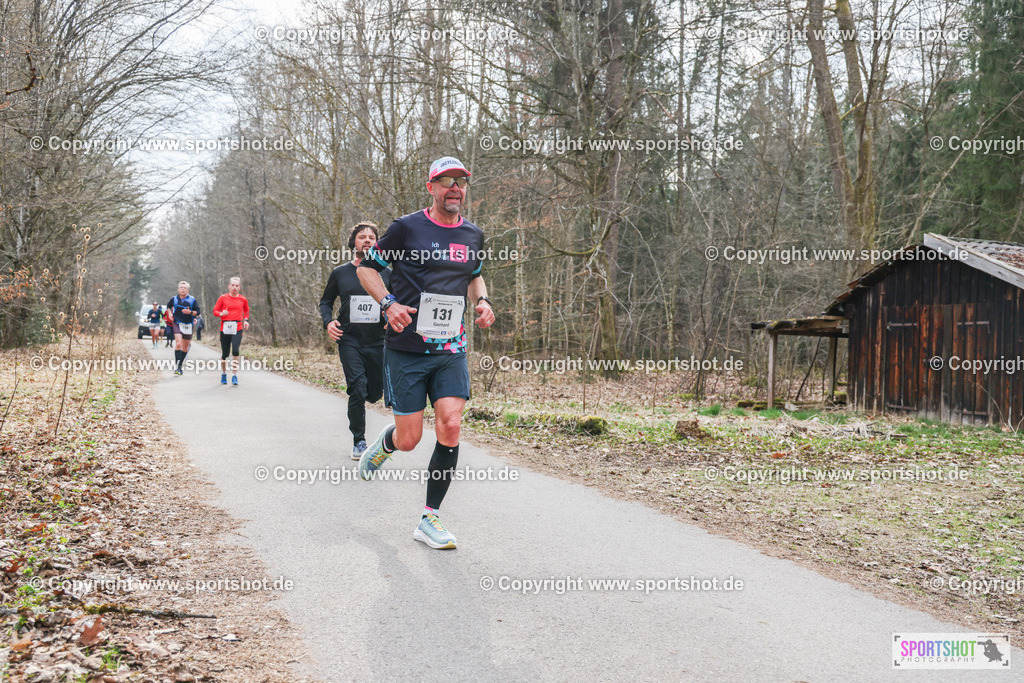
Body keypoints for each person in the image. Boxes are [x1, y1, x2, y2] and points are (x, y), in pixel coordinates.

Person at [357, 156, 495, 550]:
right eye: (446, 181)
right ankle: (387, 443)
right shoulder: (406, 228)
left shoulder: (472, 234)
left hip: (451, 347)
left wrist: (483, 301)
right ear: (431, 187)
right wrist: (389, 304)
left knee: (451, 424)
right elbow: (367, 270)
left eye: (461, 182)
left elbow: (474, 274)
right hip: (406, 349)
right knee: (410, 439)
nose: (455, 188)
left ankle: (429, 518)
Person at [319, 222, 391, 459]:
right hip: (350, 339)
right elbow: (326, 302)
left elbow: (398, 302)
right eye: (362, 237)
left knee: (373, 393)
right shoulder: (340, 273)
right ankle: (359, 441)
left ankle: (370, 397)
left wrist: (392, 318)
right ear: (353, 243)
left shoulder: (387, 274)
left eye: (372, 237)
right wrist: (329, 322)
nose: (368, 240)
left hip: (379, 341)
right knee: (357, 389)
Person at [212, 277, 250, 386]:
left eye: (236, 285)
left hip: (237, 327)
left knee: (236, 350)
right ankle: (224, 373)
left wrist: (246, 320)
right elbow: (215, 311)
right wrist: (221, 314)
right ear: (229, 286)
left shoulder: (243, 299)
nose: (234, 287)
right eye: (232, 285)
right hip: (225, 327)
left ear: (239, 287)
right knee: (225, 353)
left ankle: (234, 375)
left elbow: (247, 310)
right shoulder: (223, 298)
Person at [167, 281, 200, 376]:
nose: (182, 289)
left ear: (187, 290)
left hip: (188, 324)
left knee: (185, 347)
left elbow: (197, 312)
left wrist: (190, 312)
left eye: (184, 287)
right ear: (178, 289)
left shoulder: (192, 300)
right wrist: (169, 313)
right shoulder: (173, 299)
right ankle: (177, 366)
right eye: (181, 287)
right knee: (178, 343)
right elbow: (168, 306)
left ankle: (180, 365)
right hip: (177, 323)